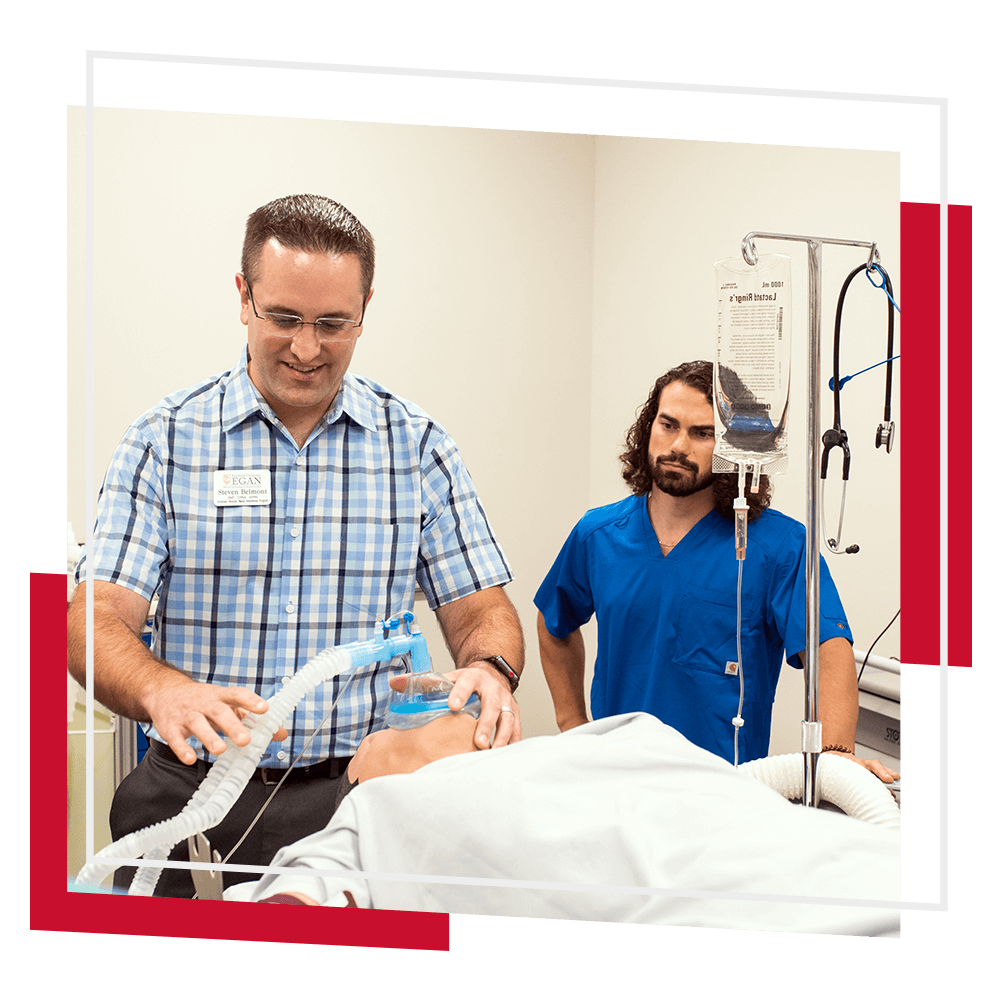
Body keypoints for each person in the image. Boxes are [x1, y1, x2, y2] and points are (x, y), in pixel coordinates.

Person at [67, 194, 525, 896]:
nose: (307, 348)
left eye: (332, 324)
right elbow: (94, 621)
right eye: (284, 318)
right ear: (243, 297)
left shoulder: (418, 447)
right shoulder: (164, 441)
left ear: (366, 309)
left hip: (357, 796)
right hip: (190, 795)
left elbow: (481, 611)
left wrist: (491, 669)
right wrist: (165, 691)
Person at [534, 360, 899, 783]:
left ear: (734, 445)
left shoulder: (778, 546)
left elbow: (827, 650)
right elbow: (553, 620)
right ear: (647, 428)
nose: (678, 446)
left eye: (702, 433)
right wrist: (573, 725)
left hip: (724, 796)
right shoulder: (598, 535)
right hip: (613, 784)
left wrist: (835, 756)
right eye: (667, 425)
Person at [243, 710, 901, 937]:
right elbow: (300, 896)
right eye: (383, 734)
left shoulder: (619, 736)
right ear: (364, 769)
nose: (454, 709)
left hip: (856, 870)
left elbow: (722, 795)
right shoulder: (373, 812)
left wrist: (832, 768)